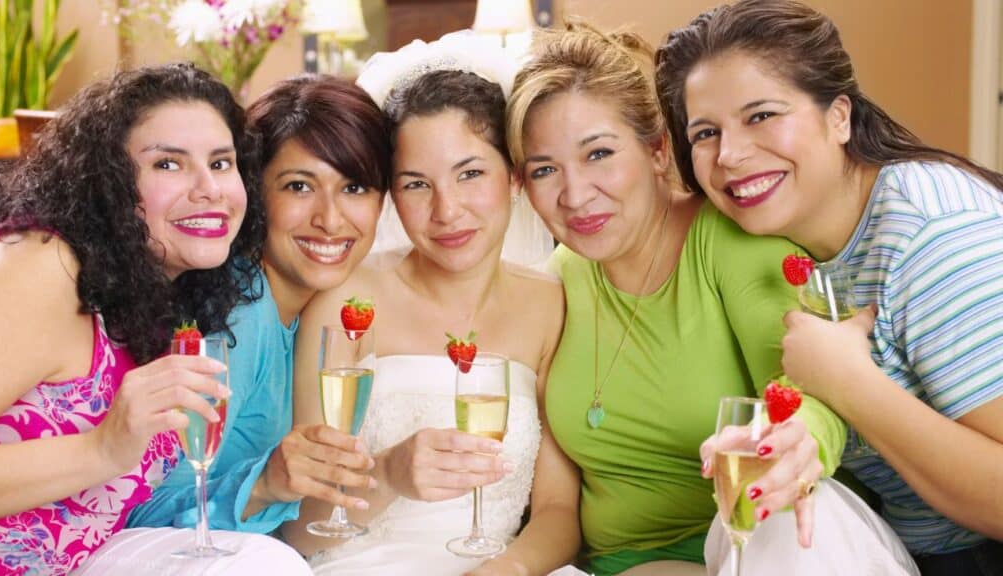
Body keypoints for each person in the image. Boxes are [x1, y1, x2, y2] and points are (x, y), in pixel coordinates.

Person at [507, 21, 917, 576]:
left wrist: (802, 442)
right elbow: (556, 505)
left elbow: (807, 391)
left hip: (757, 545)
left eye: (599, 153)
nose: (575, 195)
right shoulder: (556, 280)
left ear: (656, 152)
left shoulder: (727, 242)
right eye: (545, 169)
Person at [655, 1, 1003, 574]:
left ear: (838, 116)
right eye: (707, 132)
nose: (731, 155)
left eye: (762, 115)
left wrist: (845, 380)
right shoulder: (810, 247)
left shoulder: (932, 237)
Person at [284, 32, 582, 576]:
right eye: (416, 184)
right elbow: (301, 529)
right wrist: (389, 475)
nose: (446, 211)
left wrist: (508, 569)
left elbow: (559, 511)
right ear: (392, 195)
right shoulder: (345, 302)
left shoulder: (552, 305)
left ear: (514, 177)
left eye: (470, 174)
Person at [78, 75, 392, 574]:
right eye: (299, 186)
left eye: (354, 187)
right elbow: (130, 513)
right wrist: (264, 483)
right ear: (254, 192)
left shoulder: (321, 310)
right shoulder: (235, 316)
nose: (331, 219)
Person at [0, 63, 261, 575]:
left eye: (221, 163)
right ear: (105, 180)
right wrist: (101, 448)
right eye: (168, 165)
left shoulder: (158, 290)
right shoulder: (44, 267)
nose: (210, 189)